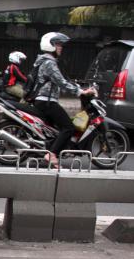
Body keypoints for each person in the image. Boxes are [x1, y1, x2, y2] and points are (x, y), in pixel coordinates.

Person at [32, 32, 95, 167]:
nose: (61, 47)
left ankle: (50, 150)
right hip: (47, 101)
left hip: (44, 100)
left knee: (55, 128)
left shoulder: (45, 60)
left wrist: (77, 87)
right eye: (58, 44)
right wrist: (81, 92)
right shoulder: (49, 62)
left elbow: (63, 80)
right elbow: (61, 82)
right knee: (68, 127)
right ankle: (52, 154)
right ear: (50, 45)